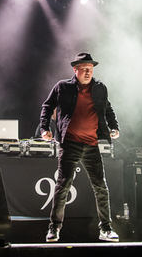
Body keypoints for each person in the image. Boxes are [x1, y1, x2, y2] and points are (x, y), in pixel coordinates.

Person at [39, 52, 121, 243]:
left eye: (90, 69)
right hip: (70, 144)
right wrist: (44, 128)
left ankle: (106, 228)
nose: (87, 72)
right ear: (75, 70)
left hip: (92, 144)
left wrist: (114, 126)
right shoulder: (63, 87)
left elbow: (107, 108)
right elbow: (47, 106)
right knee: (63, 186)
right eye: (83, 69)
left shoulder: (100, 88)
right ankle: (54, 227)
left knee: (101, 186)